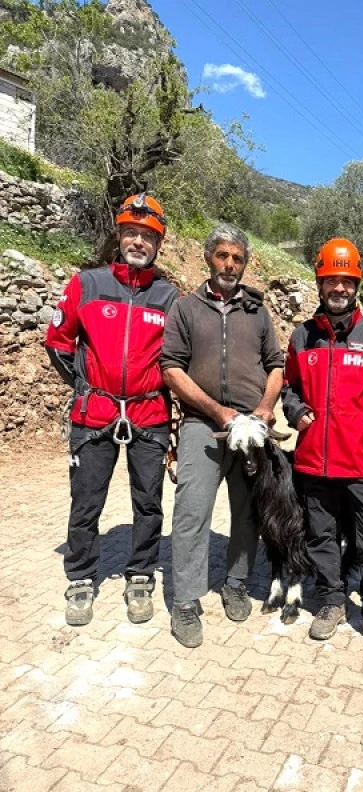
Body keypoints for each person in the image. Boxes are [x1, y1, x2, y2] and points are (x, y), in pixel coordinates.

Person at [45, 193, 179, 627]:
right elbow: (59, 341)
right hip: (95, 414)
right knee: (86, 502)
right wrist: (84, 385)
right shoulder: (87, 284)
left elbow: (181, 359)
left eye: (147, 236)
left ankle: (140, 575)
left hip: (150, 414)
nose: (138, 242)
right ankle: (81, 578)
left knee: (149, 504)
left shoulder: (170, 297)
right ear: (119, 235)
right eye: (131, 233)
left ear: (158, 243)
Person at [159, 223, 285, 648]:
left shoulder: (258, 311)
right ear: (208, 258)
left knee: (248, 511)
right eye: (222, 256)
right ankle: (186, 602)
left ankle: (236, 582)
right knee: (192, 512)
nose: (229, 265)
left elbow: (276, 365)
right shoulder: (186, 308)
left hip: (252, 429)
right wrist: (216, 410)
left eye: (237, 259)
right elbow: (171, 368)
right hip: (201, 424)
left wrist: (265, 409)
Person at [281, 238, 363, 657]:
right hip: (314, 463)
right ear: (320, 282)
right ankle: (331, 601)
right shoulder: (302, 337)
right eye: (332, 280)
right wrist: (295, 412)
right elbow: (289, 386)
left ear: (356, 284)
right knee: (321, 538)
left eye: (346, 281)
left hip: (362, 465)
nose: (339, 288)